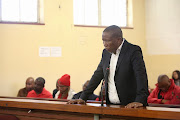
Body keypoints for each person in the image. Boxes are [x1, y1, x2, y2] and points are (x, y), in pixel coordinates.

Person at [68, 25, 149, 108]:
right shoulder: (106, 53)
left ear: (118, 39)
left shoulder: (133, 51)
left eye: (107, 41)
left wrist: (139, 101)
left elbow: (141, 76)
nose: (104, 44)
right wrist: (83, 97)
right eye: (103, 41)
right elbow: (97, 75)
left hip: (130, 105)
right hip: (111, 105)